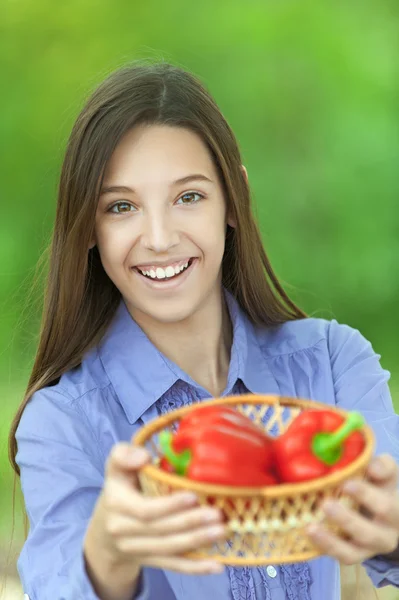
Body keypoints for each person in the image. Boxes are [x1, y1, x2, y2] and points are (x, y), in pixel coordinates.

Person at [8, 60, 399, 600]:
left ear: (232, 200)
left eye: (188, 196)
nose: (161, 238)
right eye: (121, 207)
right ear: (90, 229)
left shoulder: (332, 363)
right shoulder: (63, 424)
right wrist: (107, 555)